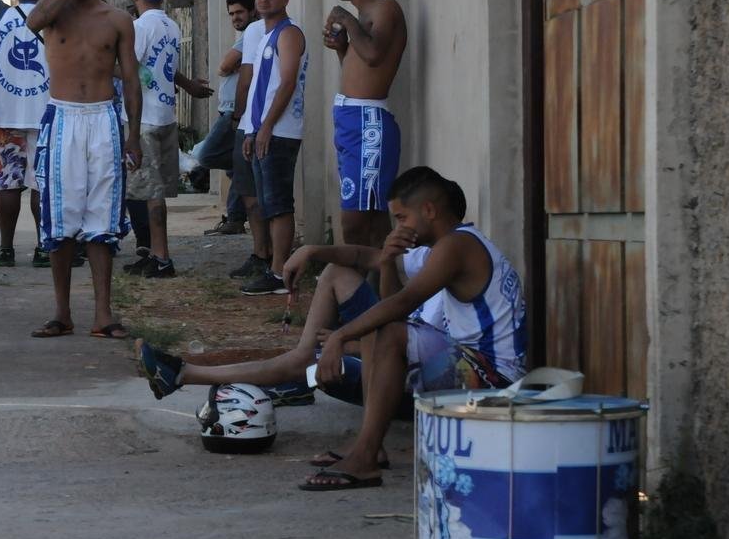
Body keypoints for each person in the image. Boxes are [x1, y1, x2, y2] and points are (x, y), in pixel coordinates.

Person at [140, 166, 527, 490]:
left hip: (492, 378)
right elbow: (364, 258)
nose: (399, 226)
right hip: (467, 363)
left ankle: (366, 456)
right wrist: (314, 251)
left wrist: (343, 335)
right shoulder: (440, 248)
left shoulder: (457, 246)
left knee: (384, 332)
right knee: (377, 331)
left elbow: (402, 306)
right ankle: (368, 448)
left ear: (428, 210)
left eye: (402, 218)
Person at [24, 0, 143, 339]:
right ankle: (61, 313)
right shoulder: (55, 12)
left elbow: (131, 80)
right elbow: (32, 21)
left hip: (104, 119)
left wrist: (135, 134)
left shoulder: (117, 20)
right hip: (62, 119)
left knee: (102, 218)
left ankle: (103, 316)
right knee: (59, 220)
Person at [122, 0, 212, 278]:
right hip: (166, 116)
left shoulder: (138, 27)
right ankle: (153, 253)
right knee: (151, 192)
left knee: (150, 192)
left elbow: (130, 68)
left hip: (143, 119)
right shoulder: (171, 26)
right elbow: (165, 68)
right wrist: (187, 86)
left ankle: (161, 257)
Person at [325, 0, 408, 247]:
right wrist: (342, 47)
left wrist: (346, 21)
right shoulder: (364, 18)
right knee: (370, 220)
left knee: (356, 223)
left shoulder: (386, 9)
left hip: (368, 124)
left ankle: (366, 291)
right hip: (351, 121)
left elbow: (374, 56)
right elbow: (358, 68)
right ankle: (383, 291)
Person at [232, 0, 309, 296]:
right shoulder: (264, 34)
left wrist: (264, 128)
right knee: (267, 202)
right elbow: (260, 89)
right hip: (264, 129)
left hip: (279, 130)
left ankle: (280, 273)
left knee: (278, 203)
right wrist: (251, 130)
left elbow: (287, 82)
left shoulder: (288, 33)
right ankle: (274, 267)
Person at [0, 0, 57, 268]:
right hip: (46, 117)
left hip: (7, 119)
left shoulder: (1, 15)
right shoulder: (56, 16)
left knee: (8, 186)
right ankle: (43, 249)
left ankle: (7, 249)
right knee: (42, 185)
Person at [194, 0, 255, 237]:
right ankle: (235, 218)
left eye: (240, 12)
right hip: (229, 110)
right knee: (237, 165)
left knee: (207, 156)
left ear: (251, 11)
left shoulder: (251, 34)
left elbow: (223, 67)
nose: (235, 18)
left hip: (234, 112)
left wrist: (228, 66)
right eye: (231, 14)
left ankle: (236, 214)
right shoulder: (244, 36)